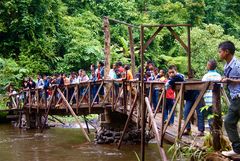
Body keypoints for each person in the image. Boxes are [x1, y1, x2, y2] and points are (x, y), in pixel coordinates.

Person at [219, 41, 240, 157]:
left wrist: (231, 80)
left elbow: (235, 79)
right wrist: (226, 78)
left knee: (229, 122)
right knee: (228, 122)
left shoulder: (237, 64)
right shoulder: (227, 65)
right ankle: (237, 149)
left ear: (226, 52)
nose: (219, 54)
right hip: (234, 98)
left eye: (220, 51)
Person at [202, 59, 221, 129]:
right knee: (216, 115)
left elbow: (202, 87)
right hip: (217, 100)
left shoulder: (206, 76)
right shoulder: (218, 76)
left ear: (208, 66)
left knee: (210, 116)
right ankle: (217, 131)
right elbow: (221, 87)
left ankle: (212, 131)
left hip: (208, 100)